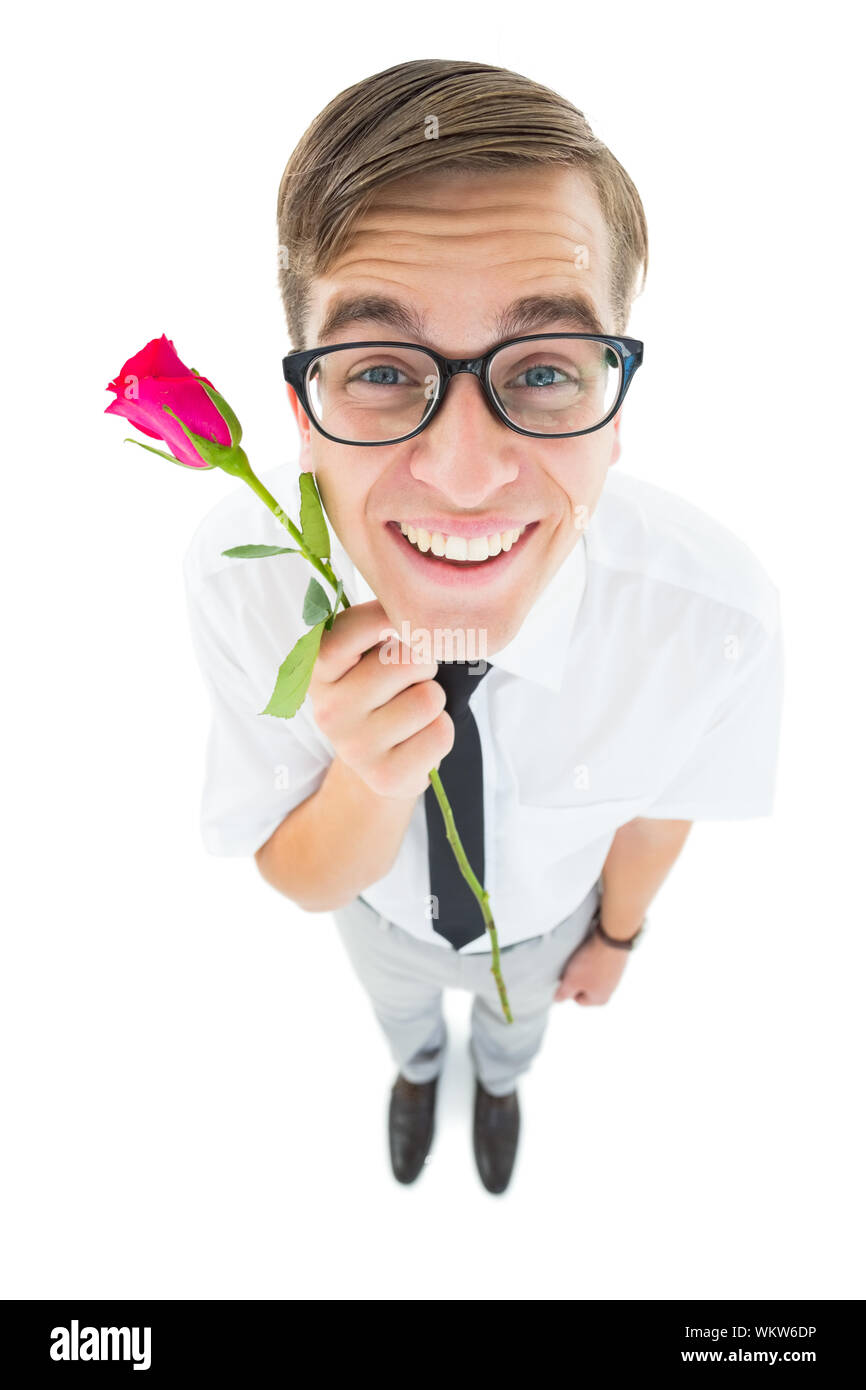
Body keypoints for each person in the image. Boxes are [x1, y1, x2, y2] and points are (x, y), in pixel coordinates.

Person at [182, 59, 783, 1196]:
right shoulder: (236, 579)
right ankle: (417, 1074)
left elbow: (659, 809)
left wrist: (612, 938)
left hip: (545, 930)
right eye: (377, 368)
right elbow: (299, 875)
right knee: (399, 1014)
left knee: (514, 1037)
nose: (461, 474)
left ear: (614, 411)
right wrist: (366, 772)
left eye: (545, 367)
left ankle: (497, 1085)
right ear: (302, 419)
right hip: (379, 917)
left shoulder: (716, 620)